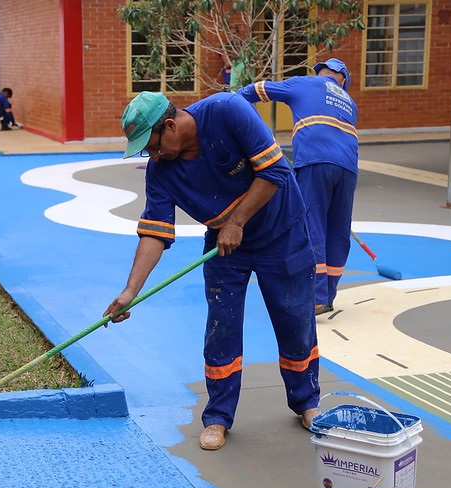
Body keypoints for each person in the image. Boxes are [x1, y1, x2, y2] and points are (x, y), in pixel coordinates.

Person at [103, 91, 320, 451]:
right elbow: (155, 233)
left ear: (170, 125)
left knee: (294, 318)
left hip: (283, 233)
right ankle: (218, 416)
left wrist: (237, 222)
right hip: (226, 245)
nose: (152, 156)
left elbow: (275, 170)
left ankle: (306, 401)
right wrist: (131, 291)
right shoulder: (161, 172)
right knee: (222, 326)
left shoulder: (227, 110)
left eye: (152, 147)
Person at [238, 58, 358, 316]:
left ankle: (315, 297)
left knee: (311, 225)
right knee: (337, 231)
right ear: (343, 80)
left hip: (315, 161)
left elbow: (257, 91)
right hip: (348, 169)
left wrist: (235, 105)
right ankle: (326, 295)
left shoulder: (305, 83)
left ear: (321, 74)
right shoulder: (349, 103)